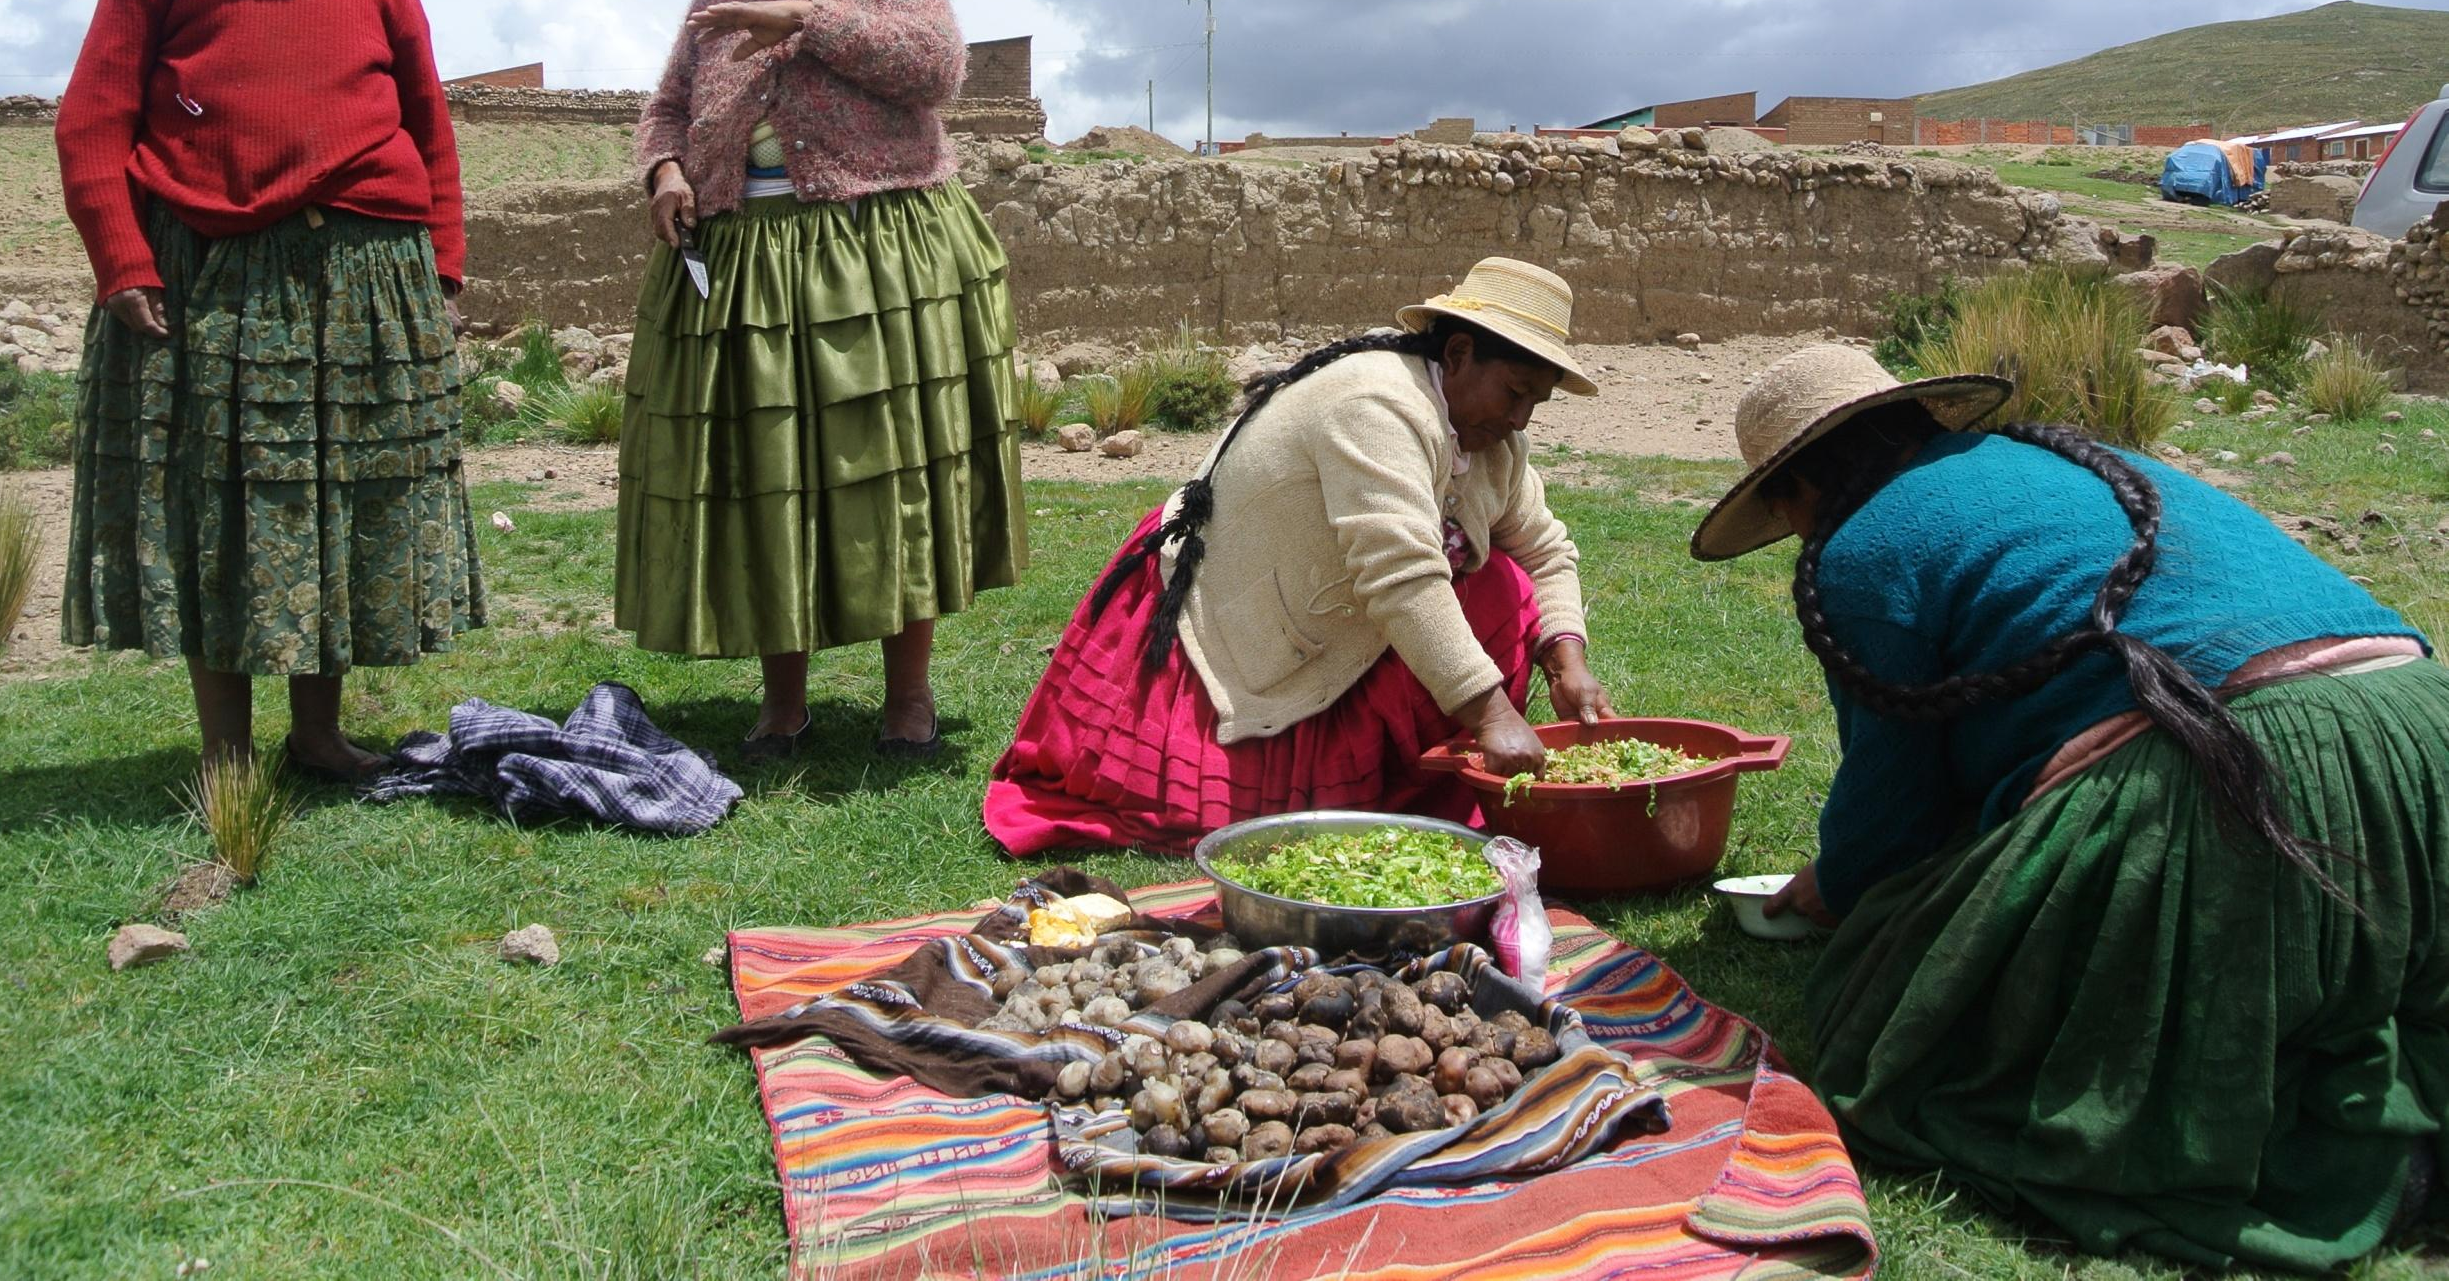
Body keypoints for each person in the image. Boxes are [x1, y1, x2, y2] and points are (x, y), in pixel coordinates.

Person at [1692, 344, 2449, 1270]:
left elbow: (1895, 814)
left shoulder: (1862, 548)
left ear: (1798, 487)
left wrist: (1837, 888)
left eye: (1788, 510)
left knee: (1897, 1012)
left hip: (2242, 760)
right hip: (2419, 735)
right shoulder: (2077, 461)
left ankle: (2341, 1168)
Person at [55, 0, 480, 781]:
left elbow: (429, 127)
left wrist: (447, 267)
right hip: (215, 271)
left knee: (334, 499)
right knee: (231, 500)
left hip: (368, 275)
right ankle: (229, 751)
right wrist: (122, 261)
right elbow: (91, 120)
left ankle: (320, 734)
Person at [618, 0, 1026, 757]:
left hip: (867, 255)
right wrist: (667, 171)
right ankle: (783, 700)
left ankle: (907, 698)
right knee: (770, 472)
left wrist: (807, 18)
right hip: (746, 259)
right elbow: (668, 102)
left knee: (886, 470)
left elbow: (932, 67)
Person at [985, 257, 1617, 855]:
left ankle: (1414, 778)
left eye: (1535, 401)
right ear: (1457, 356)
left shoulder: (1492, 441)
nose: (1520, 418)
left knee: (1505, 585)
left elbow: (1543, 549)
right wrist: (1492, 713)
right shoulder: (1374, 403)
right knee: (1224, 821)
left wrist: (1566, 662)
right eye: (1514, 393)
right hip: (1243, 606)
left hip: (1354, 609)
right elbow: (1402, 576)